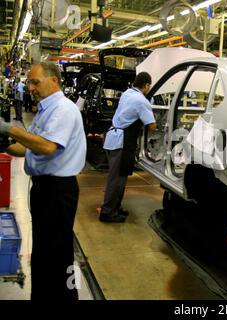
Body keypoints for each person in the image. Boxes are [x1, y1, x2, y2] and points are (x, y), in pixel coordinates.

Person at [0, 62, 87, 300]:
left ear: (54, 81)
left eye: (35, 82)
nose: (30, 87)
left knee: (58, 254)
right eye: (29, 82)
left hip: (58, 191)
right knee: (43, 252)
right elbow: (29, 147)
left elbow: (47, 147)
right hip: (44, 188)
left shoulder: (64, 110)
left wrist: (10, 128)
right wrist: (5, 144)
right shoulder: (45, 110)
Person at [99, 72, 156, 222]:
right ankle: (107, 212)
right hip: (121, 142)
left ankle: (115, 208)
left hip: (113, 138)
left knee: (120, 177)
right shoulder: (141, 101)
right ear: (146, 85)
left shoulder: (127, 93)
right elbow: (152, 126)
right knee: (116, 179)